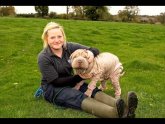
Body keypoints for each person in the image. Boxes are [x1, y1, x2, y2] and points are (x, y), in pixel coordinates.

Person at [37, 21, 138, 118]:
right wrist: (79, 77)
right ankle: (114, 113)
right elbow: (56, 81)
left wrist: (90, 54)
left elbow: (94, 50)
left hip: (71, 80)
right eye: (52, 37)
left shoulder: (69, 47)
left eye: (59, 36)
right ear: (46, 39)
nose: (57, 40)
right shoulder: (43, 57)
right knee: (77, 95)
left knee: (92, 90)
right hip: (53, 88)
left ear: (63, 37)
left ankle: (122, 106)